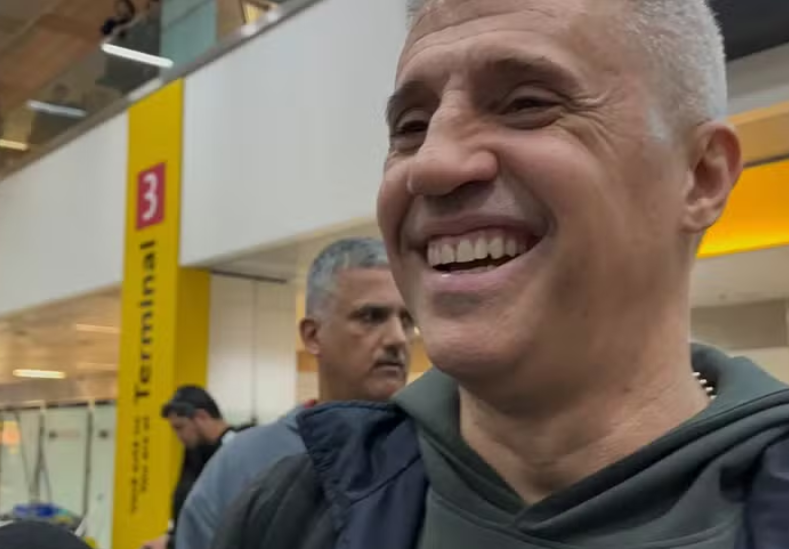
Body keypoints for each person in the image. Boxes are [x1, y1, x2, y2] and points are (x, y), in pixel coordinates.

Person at [211, 1, 789, 549]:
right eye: (411, 126)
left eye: (526, 104)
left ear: (700, 176)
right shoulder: (296, 509)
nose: (432, 164)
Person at [175, 237, 414, 549]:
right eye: (370, 317)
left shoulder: (440, 456)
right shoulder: (243, 465)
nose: (398, 338)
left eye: (407, 320)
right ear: (313, 336)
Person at [141, 386, 244, 549]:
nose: (178, 436)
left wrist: (172, 543)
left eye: (180, 427)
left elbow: (231, 520)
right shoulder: (194, 453)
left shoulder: (237, 451)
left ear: (202, 416)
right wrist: (171, 537)